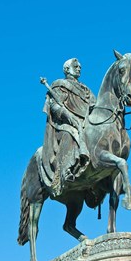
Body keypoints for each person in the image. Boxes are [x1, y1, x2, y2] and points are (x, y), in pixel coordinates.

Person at [39, 58, 96, 197]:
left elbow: (94, 106)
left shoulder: (86, 89)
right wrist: (67, 115)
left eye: (80, 66)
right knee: (70, 135)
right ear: (66, 69)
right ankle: (65, 170)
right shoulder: (59, 85)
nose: (79, 68)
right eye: (75, 66)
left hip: (85, 121)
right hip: (64, 124)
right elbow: (53, 105)